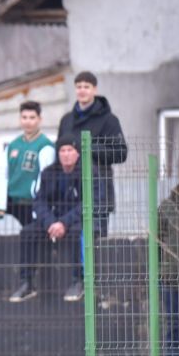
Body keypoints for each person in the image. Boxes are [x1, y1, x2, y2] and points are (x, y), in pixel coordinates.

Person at [29, 136, 103, 303]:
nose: (66, 154)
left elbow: (91, 203)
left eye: (70, 150)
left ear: (78, 153)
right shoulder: (48, 173)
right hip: (54, 221)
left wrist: (64, 222)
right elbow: (39, 201)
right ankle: (26, 282)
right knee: (28, 232)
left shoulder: (89, 172)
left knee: (79, 234)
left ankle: (79, 281)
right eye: (62, 150)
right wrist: (50, 223)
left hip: (80, 220)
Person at [0, 102, 57, 302]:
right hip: (13, 197)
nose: (28, 121)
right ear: (20, 119)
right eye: (24, 117)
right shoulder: (13, 145)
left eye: (32, 118)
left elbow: (46, 177)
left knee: (29, 234)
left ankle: (27, 282)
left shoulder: (46, 145)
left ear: (39, 119)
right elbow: (3, 175)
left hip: (33, 202)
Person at [56, 71, 126, 234]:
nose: (82, 90)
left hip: (98, 192)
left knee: (96, 244)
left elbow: (121, 153)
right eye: (78, 86)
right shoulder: (66, 120)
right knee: (70, 248)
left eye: (86, 86)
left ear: (94, 89)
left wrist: (87, 149)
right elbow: (58, 152)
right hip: (68, 194)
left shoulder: (109, 120)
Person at [157, 183, 179, 356]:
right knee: (173, 324)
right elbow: (156, 241)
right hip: (171, 277)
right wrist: (161, 270)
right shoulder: (167, 207)